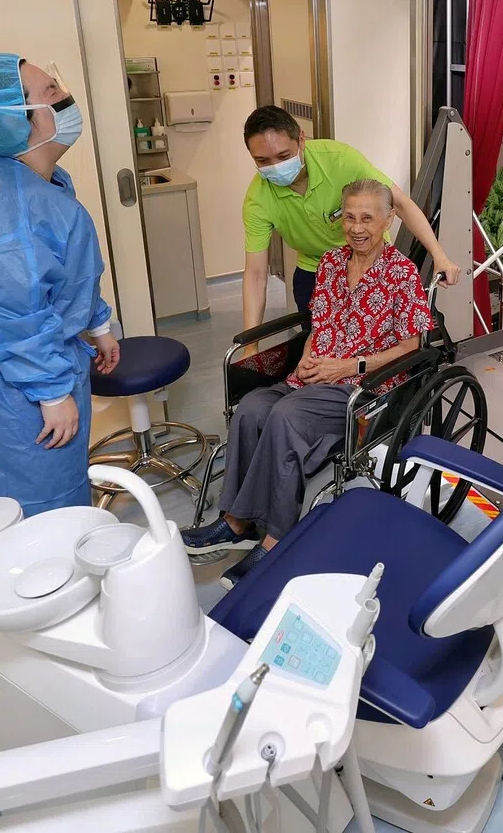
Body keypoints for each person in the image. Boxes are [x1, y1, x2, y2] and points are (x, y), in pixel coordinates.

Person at [183, 178, 433, 589]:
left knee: (285, 417)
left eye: (368, 218)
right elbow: (320, 323)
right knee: (251, 409)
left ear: (389, 220)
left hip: (363, 389)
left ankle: (276, 537)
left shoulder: (401, 274)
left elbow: (411, 346)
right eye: (349, 217)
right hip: (315, 376)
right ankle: (236, 521)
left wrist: (348, 365)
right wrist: (305, 358)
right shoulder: (331, 263)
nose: (357, 227)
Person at [0, 54, 120, 583]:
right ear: (19, 119)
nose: (65, 95)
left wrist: (96, 325)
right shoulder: (5, 207)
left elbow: (59, 277)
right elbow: (14, 313)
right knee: (40, 513)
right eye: (51, 88)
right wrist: (50, 392)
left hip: (37, 366)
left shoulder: (43, 182)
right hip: (14, 391)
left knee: (58, 495)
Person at [241, 106, 459, 328]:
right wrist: (250, 346)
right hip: (315, 270)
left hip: (371, 263)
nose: (275, 167)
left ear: (301, 139)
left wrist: (439, 256)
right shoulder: (258, 199)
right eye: (263, 161)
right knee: (317, 340)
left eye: (284, 156)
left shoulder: (340, 160)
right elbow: (256, 275)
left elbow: (401, 204)